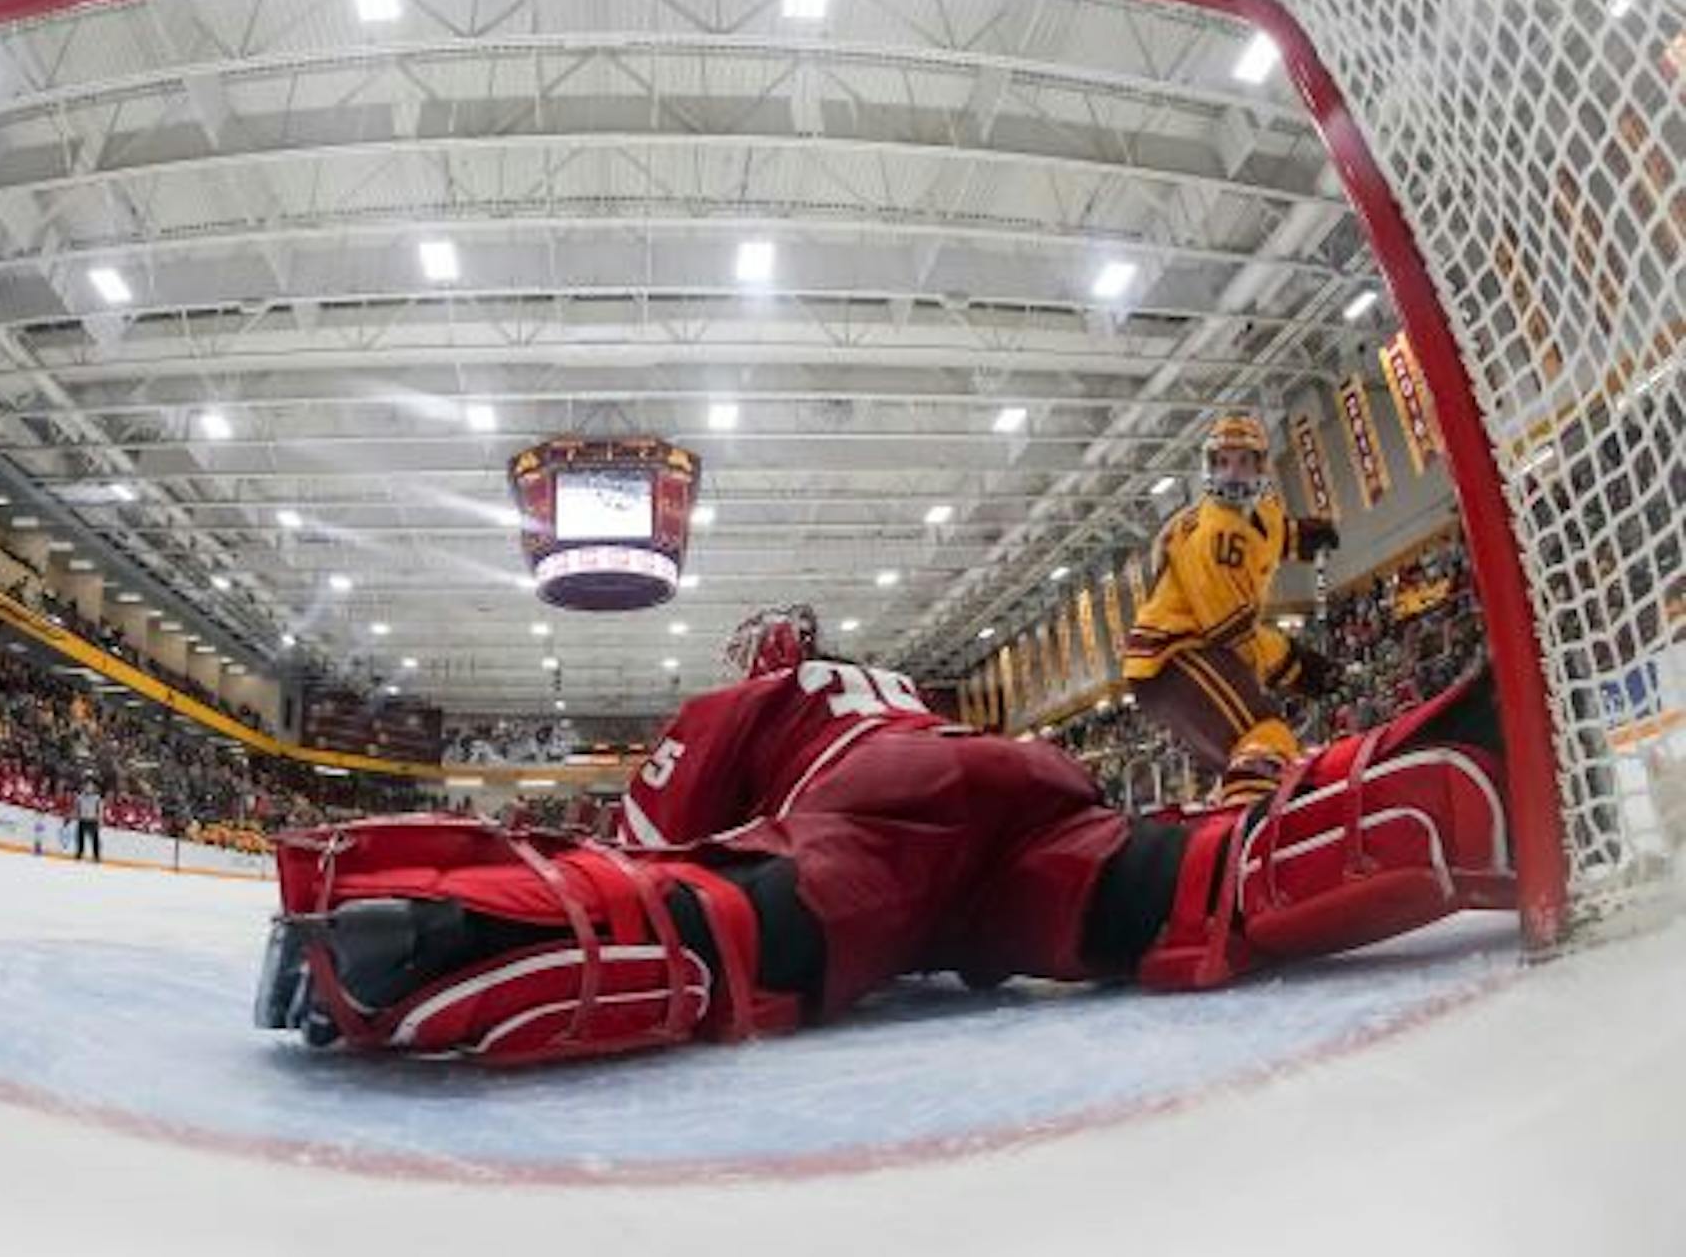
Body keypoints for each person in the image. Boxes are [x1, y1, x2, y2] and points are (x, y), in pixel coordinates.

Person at [254, 604, 1515, 1065]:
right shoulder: (885, 680)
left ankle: (412, 932)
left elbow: (655, 840)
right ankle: (1455, 775)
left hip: (879, 810)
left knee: (737, 921)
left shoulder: (754, 700)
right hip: (1015, 788)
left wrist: (583, 858)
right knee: (1176, 886)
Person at [1121, 412, 1340, 803]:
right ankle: (1251, 830)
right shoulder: (1217, 535)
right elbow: (1232, 634)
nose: (1231, 473)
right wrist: (1296, 665)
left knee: (1251, 747)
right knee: (1258, 735)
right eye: (1222, 462)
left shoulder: (1261, 508)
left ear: (1260, 466)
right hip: (1172, 655)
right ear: (1209, 467)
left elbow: (1269, 533)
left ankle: (1241, 805)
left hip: (1189, 649)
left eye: (1242, 461)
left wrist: (1302, 537)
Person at [73, 776, 103, 863]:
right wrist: (76, 816)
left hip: (92, 820)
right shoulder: (80, 797)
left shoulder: (97, 798)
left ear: (93, 788)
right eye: (87, 786)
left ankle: (96, 856)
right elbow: (77, 808)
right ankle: (79, 853)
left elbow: (100, 810)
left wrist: (100, 821)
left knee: (95, 839)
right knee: (80, 838)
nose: (88, 788)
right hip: (82, 819)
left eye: (90, 786)